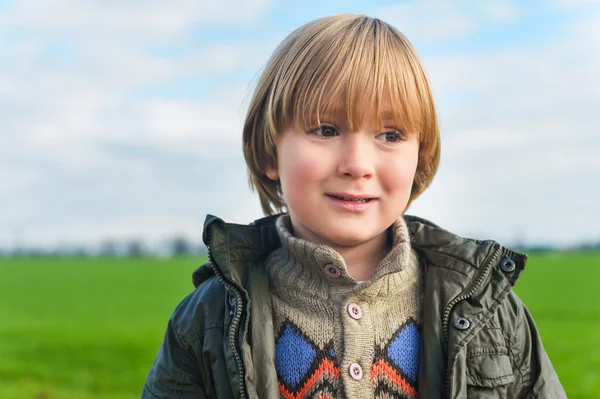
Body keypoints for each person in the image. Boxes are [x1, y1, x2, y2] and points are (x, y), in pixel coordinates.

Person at [141, 14, 566, 399]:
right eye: (325, 130)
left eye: (391, 135)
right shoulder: (210, 320)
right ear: (271, 153)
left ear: (420, 155)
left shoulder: (491, 314)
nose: (357, 165)